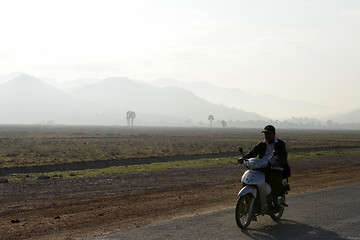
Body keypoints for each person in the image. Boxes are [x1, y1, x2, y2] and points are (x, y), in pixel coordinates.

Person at [238, 125, 289, 208]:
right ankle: (249, 201)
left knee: (273, 181)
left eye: (269, 134)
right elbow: (253, 153)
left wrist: (278, 163)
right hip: (262, 167)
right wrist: (244, 158)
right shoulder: (262, 144)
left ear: (274, 134)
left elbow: (283, 156)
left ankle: (275, 201)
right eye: (265, 134)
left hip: (275, 168)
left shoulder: (280, 144)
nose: (267, 136)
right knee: (248, 178)